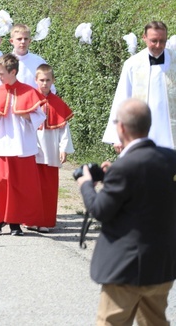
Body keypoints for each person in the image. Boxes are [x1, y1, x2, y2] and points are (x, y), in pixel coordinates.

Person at [78, 98, 176, 326]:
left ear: (120, 127)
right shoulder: (171, 159)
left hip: (126, 268)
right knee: (155, 322)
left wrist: (86, 184)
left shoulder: (124, 167)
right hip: (161, 264)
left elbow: (100, 210)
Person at [0, 53, 45, 236]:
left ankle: (15, 222)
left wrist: (28, 115)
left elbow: (41, 116)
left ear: (13, 72)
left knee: (18, 185)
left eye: (1, 73)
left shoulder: (28, 91)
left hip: (20, 145)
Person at [103, 21, 176, 151]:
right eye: (154, 41)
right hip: (142, 130)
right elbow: (122, 98)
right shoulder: (133, 64)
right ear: (144, 38)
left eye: (162, 41)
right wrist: (117, 136)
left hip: (171, 131)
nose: (159, 45)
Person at [30, 64, 74, 232]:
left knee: (48, 188)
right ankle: (31, 219)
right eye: (41, 80)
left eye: (48, 80)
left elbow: (64, 129)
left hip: (51, 151)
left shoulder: (57, 103)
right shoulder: (30, 100)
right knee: (32, 186)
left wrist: (63, 148)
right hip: (32, 149)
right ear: (36, 80)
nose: (45, 83)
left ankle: (46, 221)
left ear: (53, 81)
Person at [9, 24, 52, 90]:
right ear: (12, 41)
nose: (23, 42)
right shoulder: (5, 62)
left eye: (25, 39)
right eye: (19, 39)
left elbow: (50, 87)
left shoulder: (39, 62)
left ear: (29, 41)